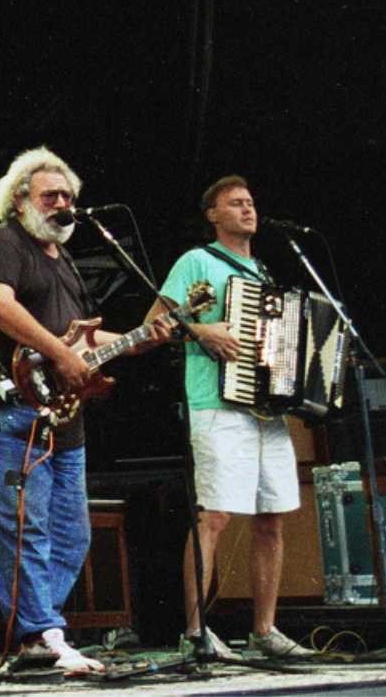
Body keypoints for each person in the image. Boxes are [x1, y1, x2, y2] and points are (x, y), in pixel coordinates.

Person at [0, 146, 169, 674]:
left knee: (73, 533)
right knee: (23, 528)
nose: (64, 205)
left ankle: (36, 629)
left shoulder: (63, 260)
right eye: (52, 196)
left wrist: (141, 339)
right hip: (8, 408)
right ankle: (40, 633)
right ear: (20, 199)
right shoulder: (1, 242)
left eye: (69, 197)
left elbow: (81, 340)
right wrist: (61, 353)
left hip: (63, 419)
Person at [146, 175, 316, 660]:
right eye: (235, 203)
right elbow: (152, 325)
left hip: (266, 412)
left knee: (272, 519)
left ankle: (265, 630)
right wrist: (201, 331)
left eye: (251, 202)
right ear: (212, 215)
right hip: (215, 405)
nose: (248, 209)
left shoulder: (261, 270)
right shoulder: (196, 261)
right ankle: (196, 632)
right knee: (215, 516)